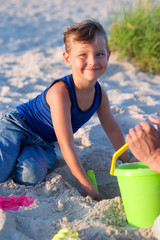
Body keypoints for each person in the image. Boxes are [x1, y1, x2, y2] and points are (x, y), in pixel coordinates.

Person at [0, 19, 130, 201]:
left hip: (43, 142)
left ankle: (18, 152)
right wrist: (88, 187)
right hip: (18, 124)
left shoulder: (100, 95)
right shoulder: (61, 92)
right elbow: (67, 144)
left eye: (99, 54)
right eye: (83, 55)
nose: (92, 61)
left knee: (30, 177)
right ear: (68, 59)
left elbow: (112, 128)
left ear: (108, 55)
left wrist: (126, 159)